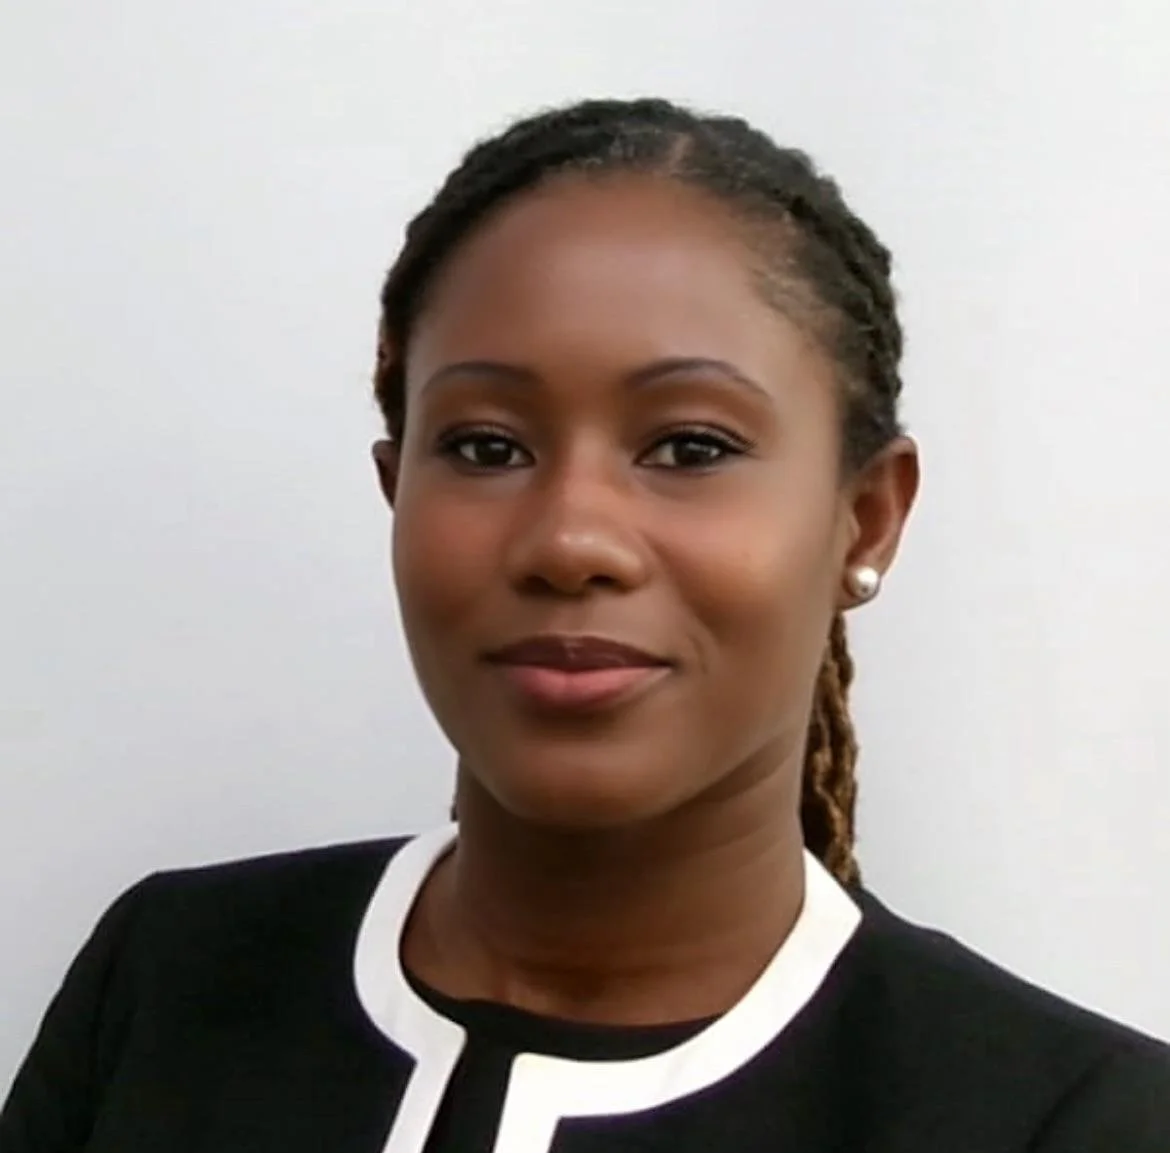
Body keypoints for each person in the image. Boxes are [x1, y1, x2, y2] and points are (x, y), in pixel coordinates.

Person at [1, 97, 1167, 1153]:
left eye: (690, 448)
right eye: (486, 447)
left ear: (864, 518)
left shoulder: (1070, 1119)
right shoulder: (168, 978)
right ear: (395, 485)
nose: (570, 540)